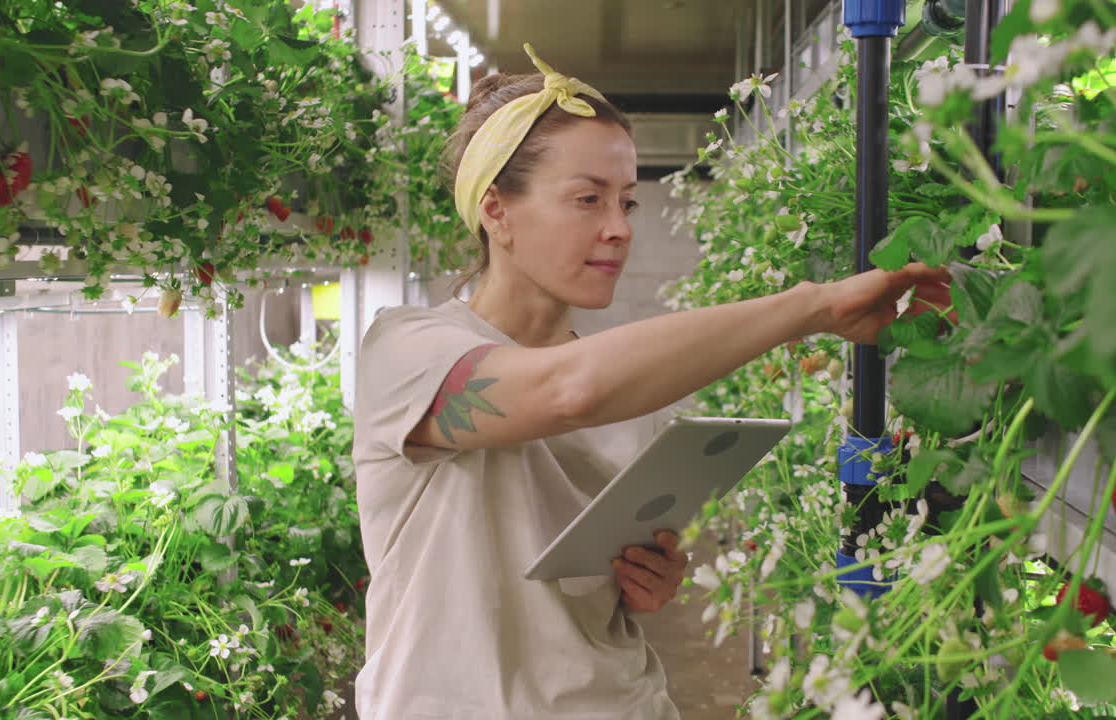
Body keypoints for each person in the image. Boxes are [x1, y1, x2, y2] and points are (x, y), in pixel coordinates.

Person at [351, 44, 951, 719]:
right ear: (496, 210)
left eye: (628, 204)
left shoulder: (629, 389)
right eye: (587, 199)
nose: (617, 230)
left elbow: (588, 566)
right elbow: (564, 393)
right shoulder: (408, 349)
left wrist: (648, 580)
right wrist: (810, 307)